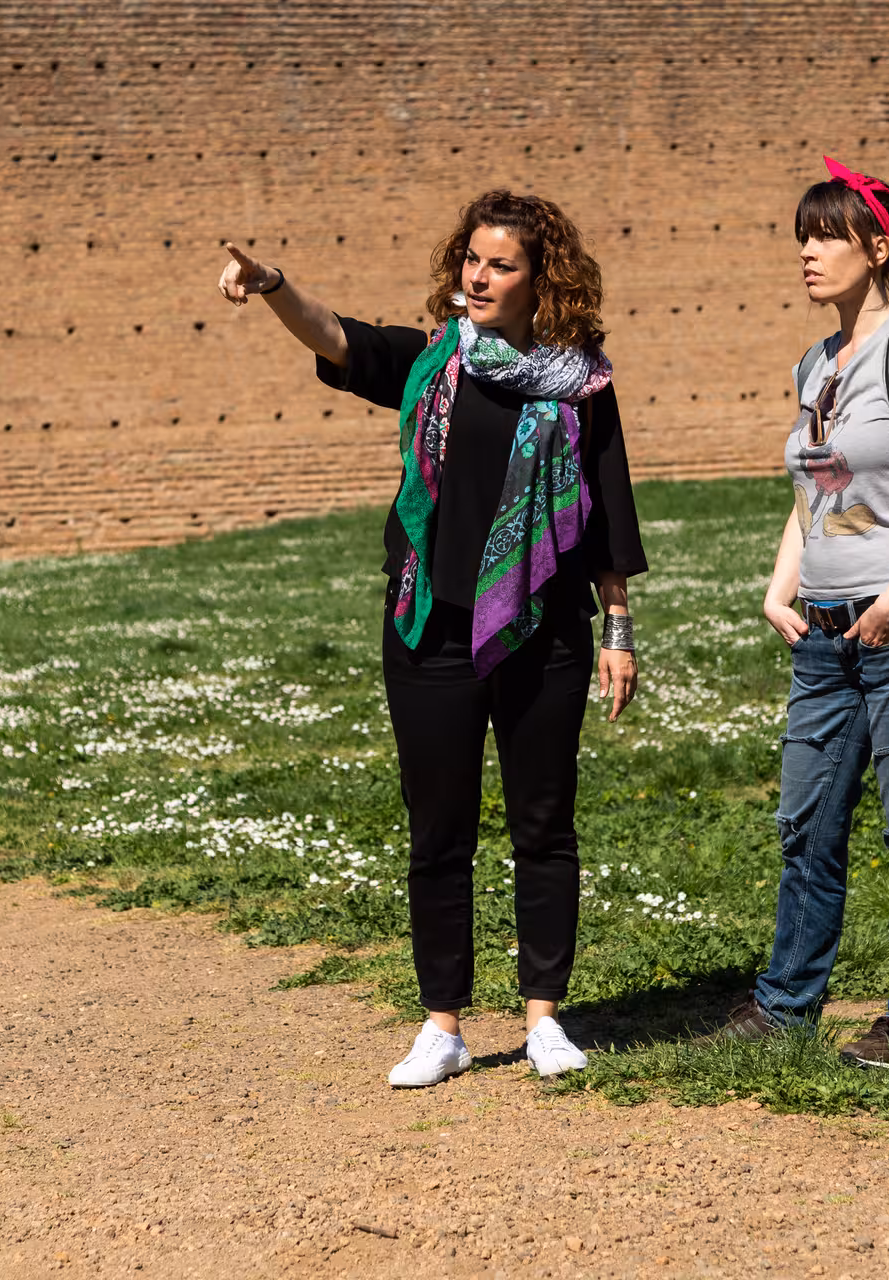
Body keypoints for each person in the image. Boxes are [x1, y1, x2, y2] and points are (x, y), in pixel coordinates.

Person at [219, 190, 648, 1088]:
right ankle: (442, 1026)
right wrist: (274, 286)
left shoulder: (583, 384)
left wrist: (617, 629)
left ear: (542, 280)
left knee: (544, 825)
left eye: (501, 265)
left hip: (545, 630)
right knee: (439, 831)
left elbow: (608, 509)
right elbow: (340, 340)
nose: (478, 277)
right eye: (471, 259)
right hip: (429, 632)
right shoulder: (432, 362)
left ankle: (544, 1020)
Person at [704, 159, 889, 1068]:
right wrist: (780, 587)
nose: (808, 253)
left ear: (878, 248)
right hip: (823, 638)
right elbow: (821, 496)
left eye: (826, 235)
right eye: (803, 238)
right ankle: (786, 1004)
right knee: (807, 826)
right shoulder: (815, 366)